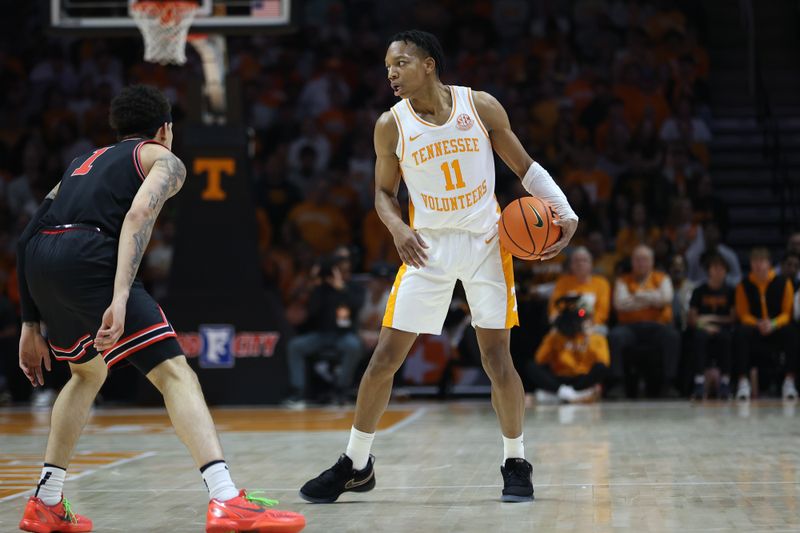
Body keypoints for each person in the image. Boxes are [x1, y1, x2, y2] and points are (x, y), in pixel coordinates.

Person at [300, 30, 578, 504]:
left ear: (429, 64)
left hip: (488, 243)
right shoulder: (390, 125)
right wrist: (397, 230)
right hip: (426, 247)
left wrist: (565, 212)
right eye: (388, 66)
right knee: (384, 358)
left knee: (497, 359)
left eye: (401, 63)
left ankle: (516, 460)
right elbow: (383, 196)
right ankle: (356, 463)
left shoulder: (481, 107)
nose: (391, 72)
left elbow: (525, 168)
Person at [15, 85, 304, 533]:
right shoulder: (163, 159)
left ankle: (46, 501)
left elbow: (26, 235)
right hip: (89, 256)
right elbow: (137, 217)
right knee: (175, 373)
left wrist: (29, 321)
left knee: (87, 373)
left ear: (118, 128)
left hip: (43, 260)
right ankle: (226, 499)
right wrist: (121, 295)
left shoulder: (79, 165)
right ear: (165, 129)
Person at [284, 254, 365, 408]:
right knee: (295, 346)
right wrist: (315, 285)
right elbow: (312, 312)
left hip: (344, 335)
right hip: (321, 335)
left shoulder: (354, 287)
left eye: (345, 270)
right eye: (339, 270)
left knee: (354, 346)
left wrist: (341, 289)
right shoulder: (320, 289)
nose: (342, 274)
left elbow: (356, 305)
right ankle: (298, 391)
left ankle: (341, 389)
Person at [608, 245, 680, 397]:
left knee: (672, 336)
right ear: (632, 262)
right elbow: (620, 303)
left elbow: (665, 299)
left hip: (657, 326)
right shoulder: (622, 280)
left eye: (645, 259)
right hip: (629, 327)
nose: (641, 263)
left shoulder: (662, 278)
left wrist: (636, 297)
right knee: (615, 336)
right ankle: (618, 384)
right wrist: (652, 297)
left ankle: (669, 384)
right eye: (637, 259)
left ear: (652, 262)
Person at [734, 247, 797, 401]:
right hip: (755, 328)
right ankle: (743, 382)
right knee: (741, 331)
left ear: (769, 264)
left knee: (792, 331)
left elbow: (787, 313)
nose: (758, 265)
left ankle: (789, 381)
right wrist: (758, 323)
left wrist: (773, 323)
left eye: (761, 261)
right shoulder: (743, 285)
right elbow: (743, 314)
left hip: (776, 328)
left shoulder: (784, 283)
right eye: (754, 261)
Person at [529, 296, 609, 404]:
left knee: (601, 368)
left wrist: (588, 339)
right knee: (532, 367)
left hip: (581, 378)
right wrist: (553, 338)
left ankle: (564, 395)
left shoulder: (596, 337)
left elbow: (603, 362)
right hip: (560, 378)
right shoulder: (555, 336)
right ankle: (568, 393)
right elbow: (539, 359)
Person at [687, 253, 735, 400]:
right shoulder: (699, 291)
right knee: (699, 338)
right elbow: (692, 319)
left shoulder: (730, 291)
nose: (718, 271)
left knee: (726, 339)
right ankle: (699, 381)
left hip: (723, 327)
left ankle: (725, 382)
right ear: (708, 270)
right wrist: (705, 326)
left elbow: (732, 318)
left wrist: (711, 318)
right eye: (714, 268)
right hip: (703, 328)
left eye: (721, 268)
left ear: (726, 271)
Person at [548, 246, 611, 334]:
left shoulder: (601, 283)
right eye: (576, 260)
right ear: (571, 265)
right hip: (566, 325)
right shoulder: (563, 282)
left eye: (584, 260)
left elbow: (602, 312)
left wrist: (588, 324)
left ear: (591, 264)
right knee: (553, 334)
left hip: (593, 325)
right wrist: (557, 320)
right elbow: (555, 307)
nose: (580, 263)